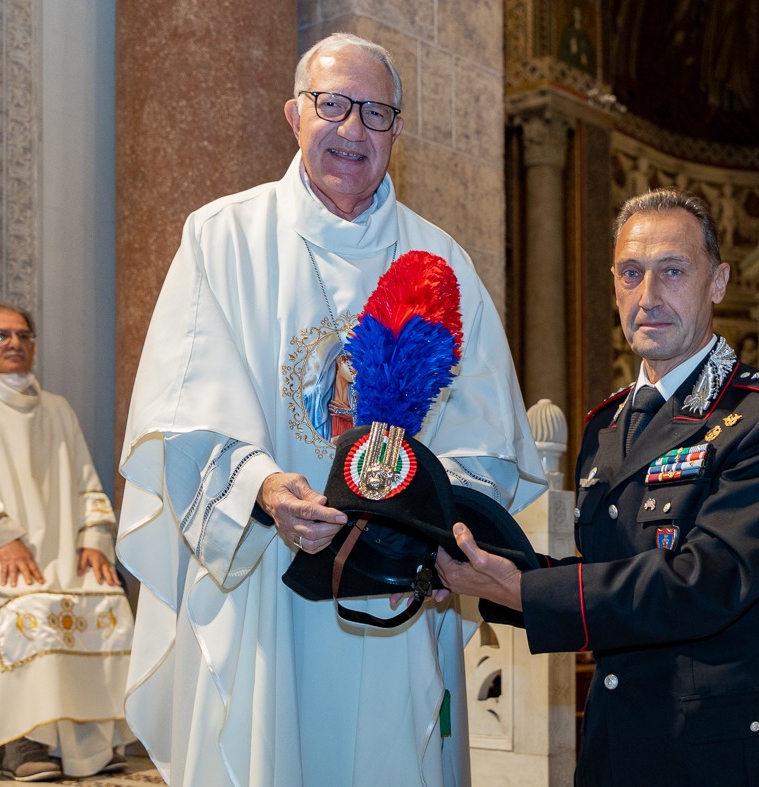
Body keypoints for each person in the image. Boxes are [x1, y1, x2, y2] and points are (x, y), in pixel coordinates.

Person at [116, 34, 545, 787]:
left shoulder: (442, 261)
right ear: (294, 115)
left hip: (399, 591)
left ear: (397, 131)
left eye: (375, 112)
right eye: (332, 105)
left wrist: (438, 531)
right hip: (266, 581)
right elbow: (184, 414)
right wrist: (262, 487)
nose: (352, 129)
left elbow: (487, 440)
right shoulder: (223, 239)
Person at [437, 187, 759, 785]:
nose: (649, 296)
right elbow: (607, 573)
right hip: (618, 746)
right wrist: (480, 572)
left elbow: (706, 580)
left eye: (673, 271)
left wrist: (528, 591)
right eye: (631, 273)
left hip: (724, 756)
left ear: (718, 282)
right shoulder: (606, 426)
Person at [0, 302, 133, 780]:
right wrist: (1, 538)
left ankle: (90, 742)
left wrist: (93, 541)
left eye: (23, 335)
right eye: (1, 336)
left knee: (105, 597)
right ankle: (22, 741)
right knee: (32, 606)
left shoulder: (57, 409)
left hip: (59, 553)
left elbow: (87, 484)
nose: (15, 344)